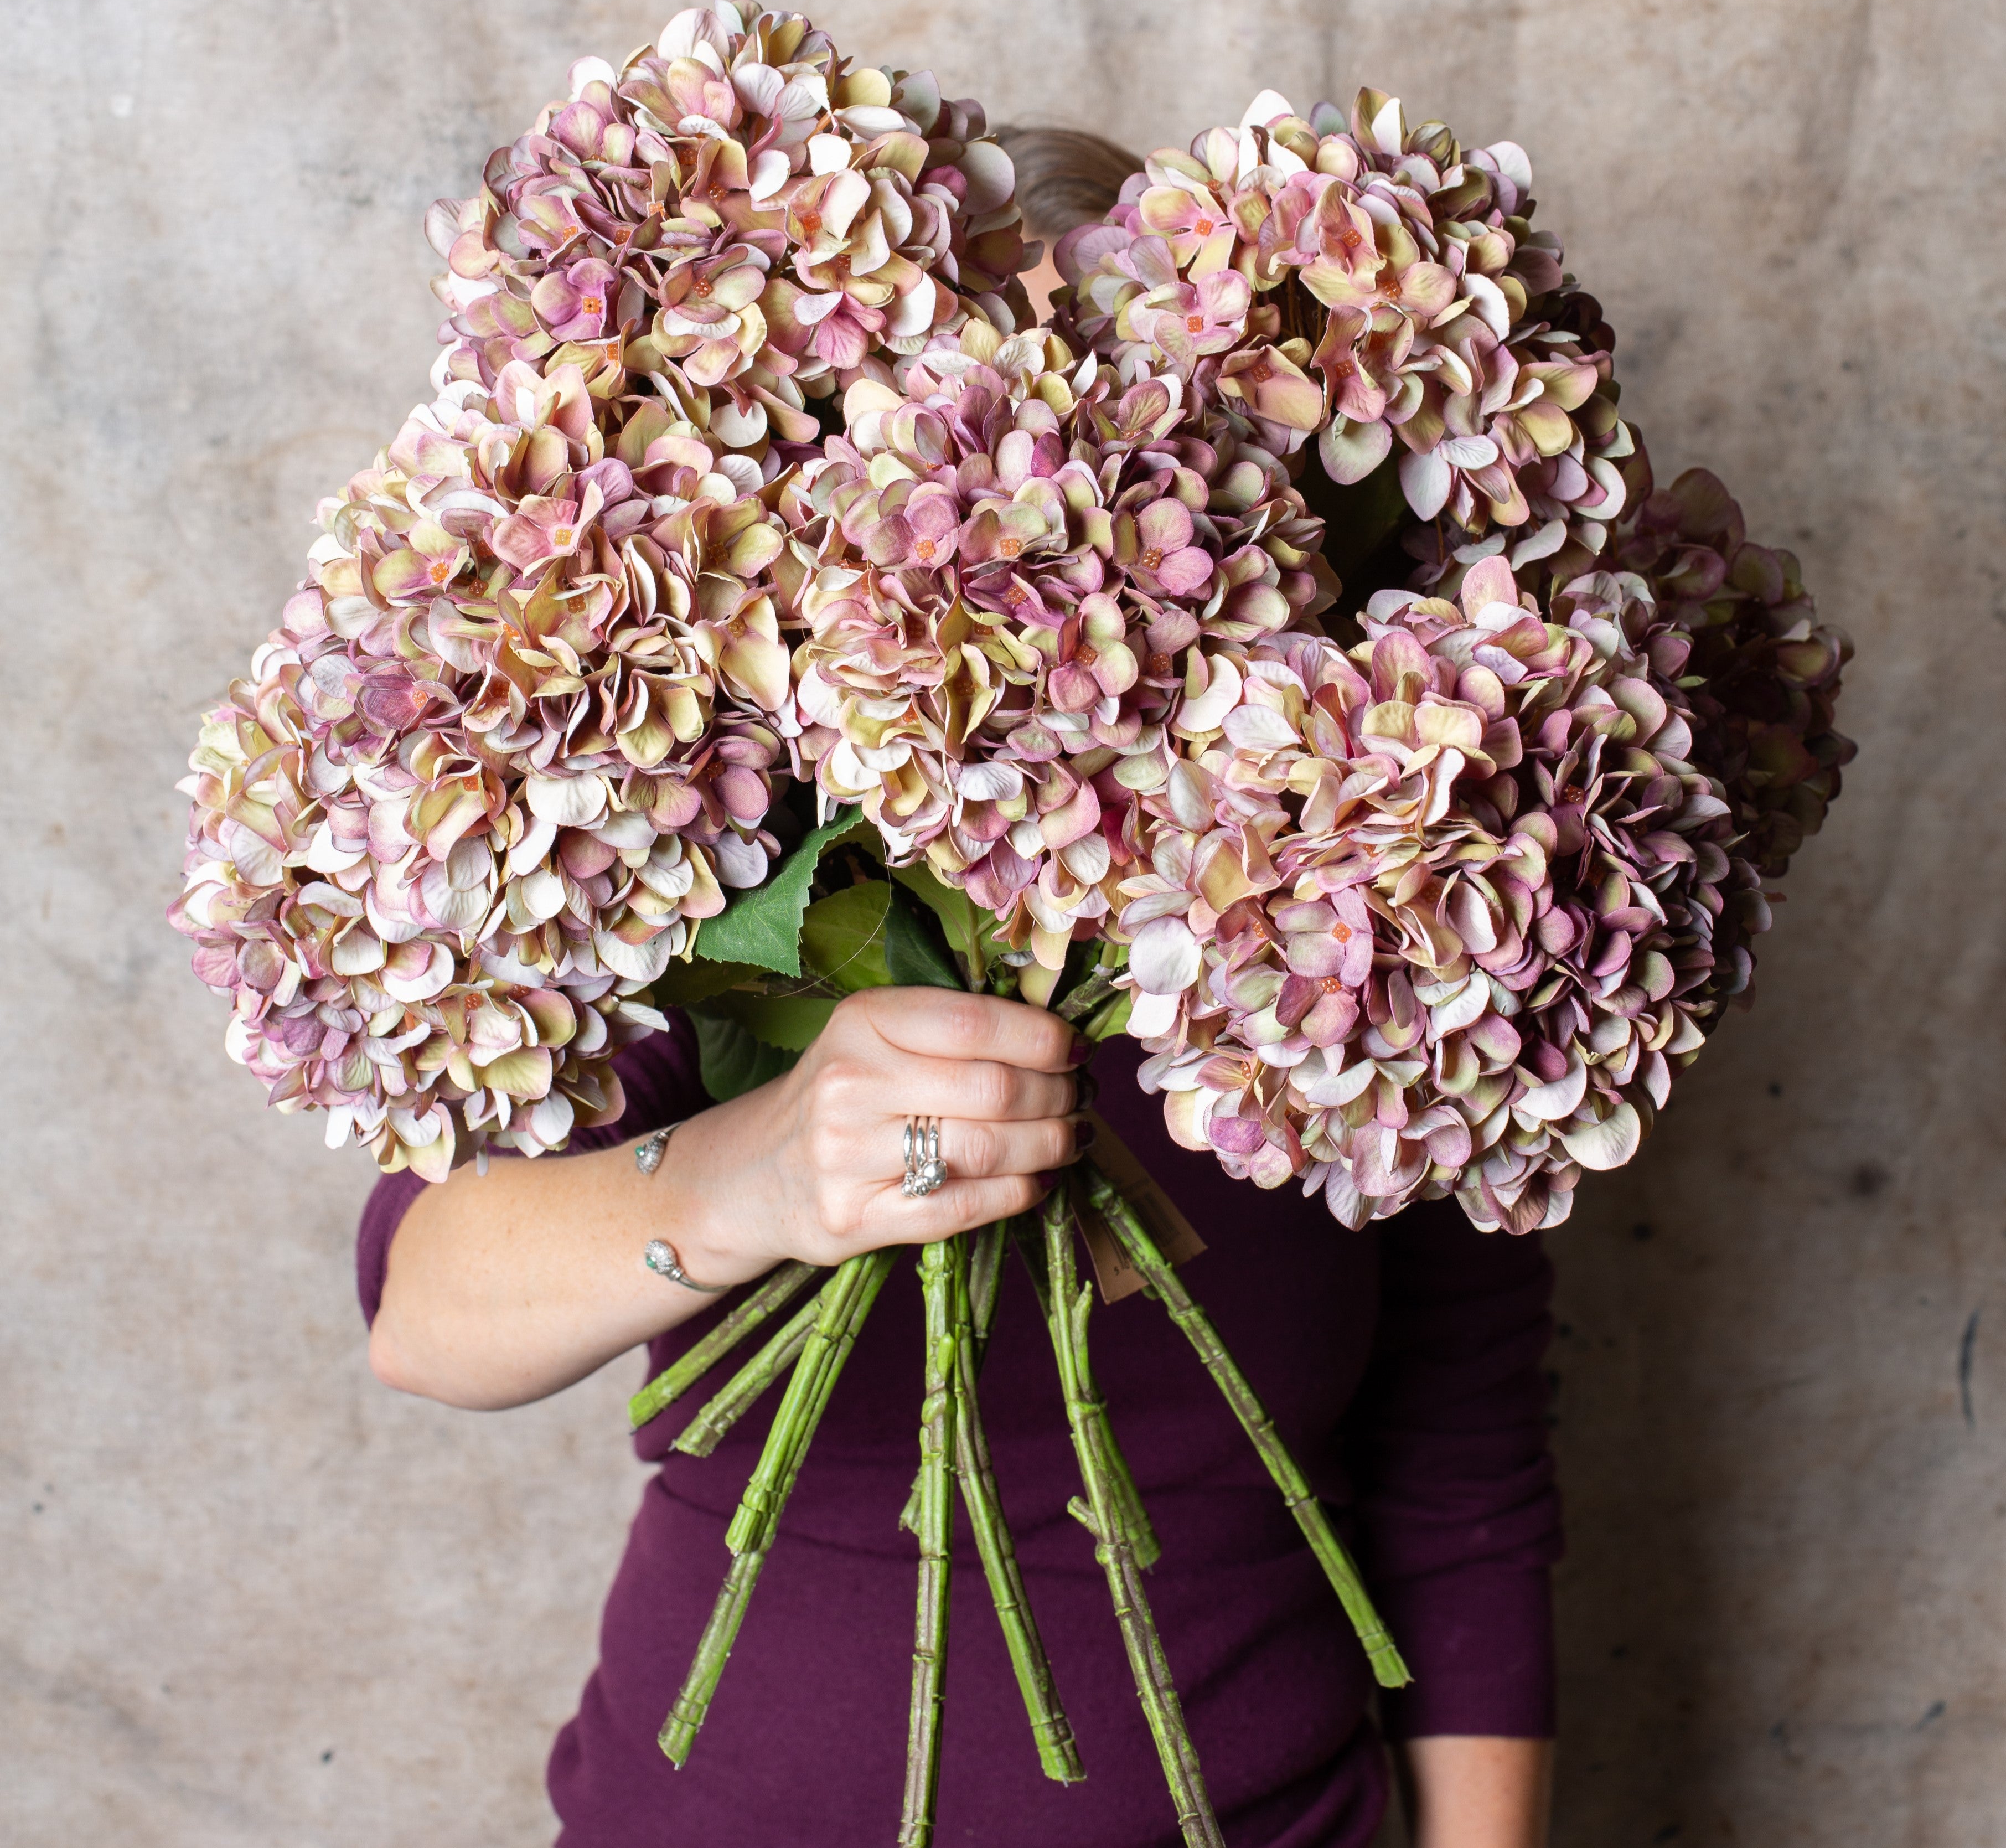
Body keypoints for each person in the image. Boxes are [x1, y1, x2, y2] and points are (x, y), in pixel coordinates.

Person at [360, 133, 1563, 1848]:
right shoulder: (710, 844)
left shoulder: (1392, 902)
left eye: (1158, 499)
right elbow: (423, 1309)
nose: (1071, 567)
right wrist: (760, 1170)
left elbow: (1468, 1490)